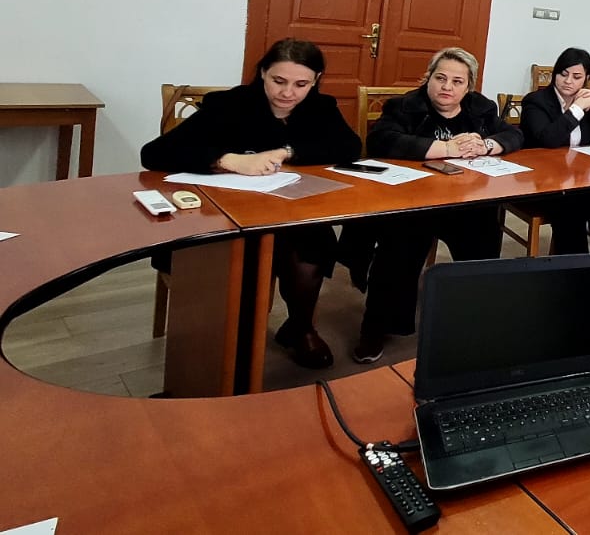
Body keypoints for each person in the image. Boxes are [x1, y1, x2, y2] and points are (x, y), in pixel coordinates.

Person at [140, 38, 361, 369]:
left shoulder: (320, 107)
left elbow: (350, 147)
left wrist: (288, 152)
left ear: (315, 80)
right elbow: (154, 153)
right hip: (224, 215)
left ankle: (300, 327)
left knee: (311, 241)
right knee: (246, 255)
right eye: (278, 81)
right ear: (262, 73)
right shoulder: (230, 104)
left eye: (301, 84)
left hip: (286, 210)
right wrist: (227, 160)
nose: (288, 93)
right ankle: (232, 338)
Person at [349, 47, 523, 364]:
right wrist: (445, 148)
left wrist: (486, 144)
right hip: (415, 204)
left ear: (468, 87)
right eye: (440, 78)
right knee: (396, 251)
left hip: (464, 204)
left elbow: (513, 134)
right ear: (428, 78)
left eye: (457, 81)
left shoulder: (481, 108)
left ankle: (473, 318)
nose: (447, 87)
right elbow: (382, 140)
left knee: (485, 237)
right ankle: (376, 328)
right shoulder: (404, 106)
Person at [521, 47, 590, 256]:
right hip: (541, 179)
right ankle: (576, 267)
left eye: (576, 77)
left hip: (576, 177)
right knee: (572, 208)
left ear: (587, 79)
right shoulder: (536, 101)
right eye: (563, 74)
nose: (568, 81)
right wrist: (576, 109)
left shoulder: (585, 101)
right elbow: (549, 139)